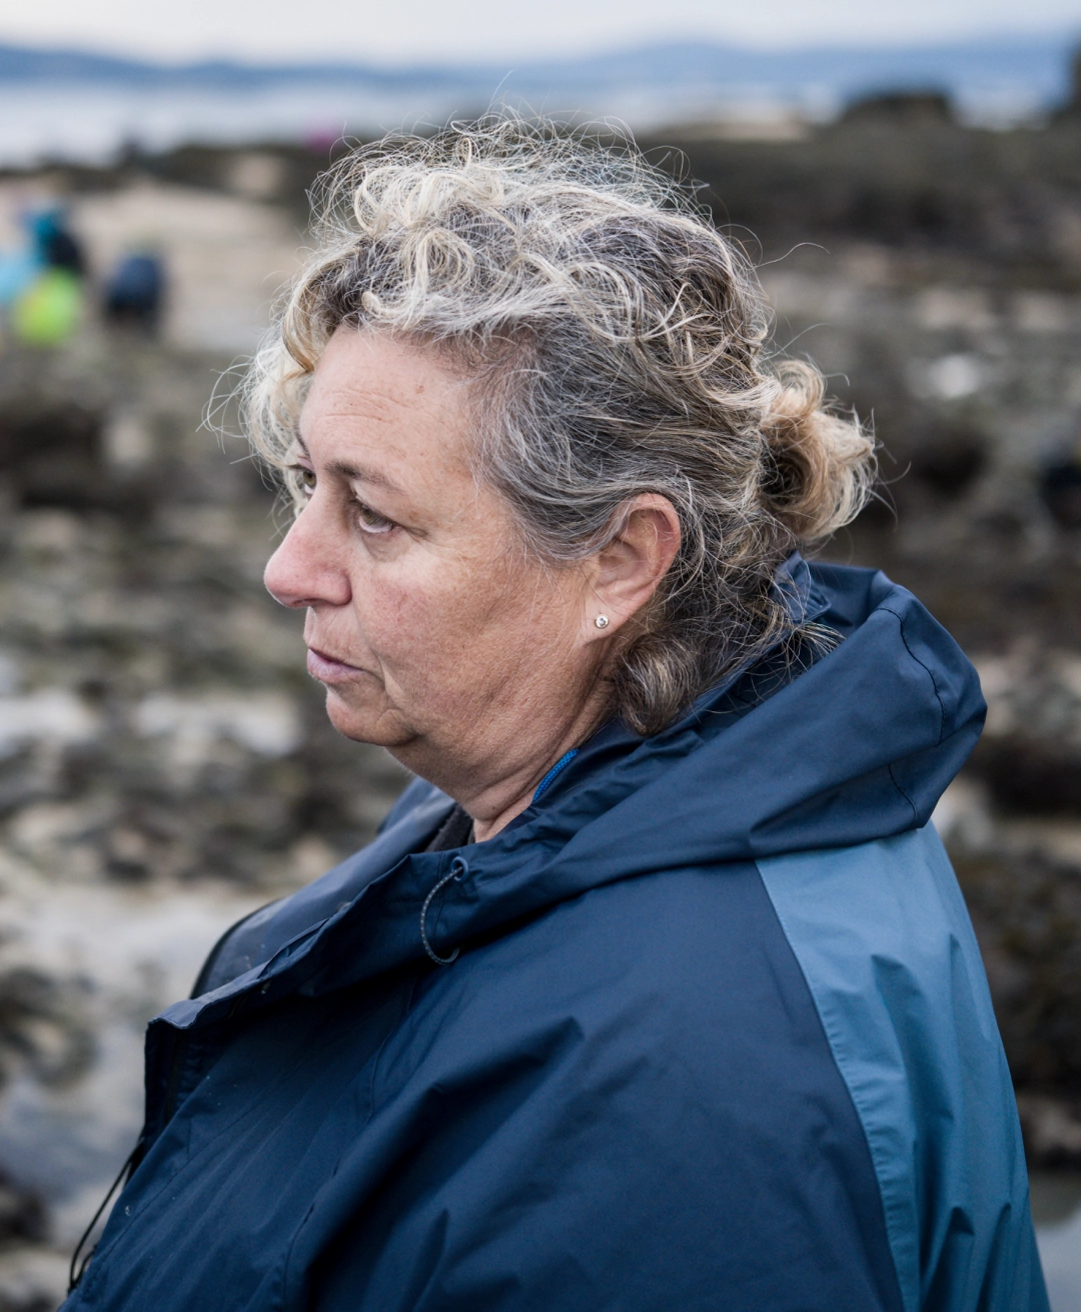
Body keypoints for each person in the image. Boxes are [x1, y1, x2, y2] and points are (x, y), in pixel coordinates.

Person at [63, 120, 1047, 1312]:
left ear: (620, 560)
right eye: (305, 483)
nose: (287, 568)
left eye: (374, 515)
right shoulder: (550, 791)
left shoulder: (684, 1093)